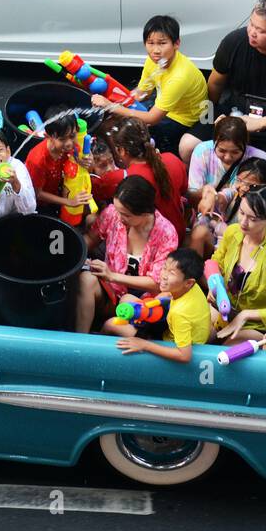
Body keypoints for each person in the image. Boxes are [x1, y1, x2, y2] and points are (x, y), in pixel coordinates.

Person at [180, 0, 266, 181]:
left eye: (261, 30)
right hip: (232, 113)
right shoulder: (234, 41)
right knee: (187, 145)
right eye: (251, 24)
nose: (252, 32)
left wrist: (260, 123)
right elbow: (215, 83)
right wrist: (211, 115)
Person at [91, 16, 208, 159]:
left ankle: (129, 161)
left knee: (132, 132)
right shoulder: (153, 60)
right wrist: (120, 103)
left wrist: (112, 107)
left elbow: (153, 118)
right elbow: (143, 92)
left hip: (184, 119)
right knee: (114, 119)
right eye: (150, 43)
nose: (155, 50)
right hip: (165, 106)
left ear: (176, 43)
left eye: (162, 43)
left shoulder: (180, 76)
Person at [75, 175, 179, 333]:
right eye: (118, 211)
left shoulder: (167, 233)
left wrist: (112, 276)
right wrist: (69, 250)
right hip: (110, 293)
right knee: (86, 279)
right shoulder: (113, 213)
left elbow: (157, 282)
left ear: (145, 213)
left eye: (127, 215)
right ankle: (79, 340)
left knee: (129, 323)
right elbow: (90, 238)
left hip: (143, 302)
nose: (119, 217)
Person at [208, 186, 266, 342]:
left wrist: (247, 314)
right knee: (195, 334)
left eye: (253, 219)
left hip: (254, 324)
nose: (243, 222)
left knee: (227, 348)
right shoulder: (233, 232)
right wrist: (215, 286)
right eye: (242, 213)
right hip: (223, 310)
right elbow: (216, 262)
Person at [116, 249, 212, 361]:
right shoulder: (192, 286)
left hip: (169, 343)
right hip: (183, 328)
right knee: (126, 299)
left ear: (188, 282)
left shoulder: (179, 314)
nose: (164, 276)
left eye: (172, 273)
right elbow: (168, 295)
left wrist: (144, 345)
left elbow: (185, 356)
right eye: (164, 268)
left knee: (111, 325)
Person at [102, 118, 188, 243]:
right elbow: (183, 191)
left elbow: (88, 191)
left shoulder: (121, 178)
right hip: (179, 233)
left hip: (154, 245)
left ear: (121, 151)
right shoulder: (172, 159)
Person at [186, 116, 266, 215]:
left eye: (235, 152)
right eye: (221, 151)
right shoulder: (202, 152)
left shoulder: (261, 158)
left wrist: (258, 214)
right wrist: (205, 193)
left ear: (245, 144)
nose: (227, 157)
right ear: (214, 142)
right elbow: (191, 196)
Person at [188, 156, 266, 259]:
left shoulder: (264, 208)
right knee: (199, 231)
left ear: (265, 186)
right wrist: (212, 197)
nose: (240, 186)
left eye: (249, 184)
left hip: (242, 250)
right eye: (239, 180)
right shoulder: (234, 193)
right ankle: (192, 269)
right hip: (220, 244)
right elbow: (221, 197)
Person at [22, 106, 93, 215]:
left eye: (72, 136)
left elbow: (86, 160)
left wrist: (85, 159)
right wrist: (69, 202)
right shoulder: (37, 160)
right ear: (47, 136)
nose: (69, 143)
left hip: (59, 190)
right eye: (62, 139)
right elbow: (37, 193)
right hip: (39, 204)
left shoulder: (69, 146)